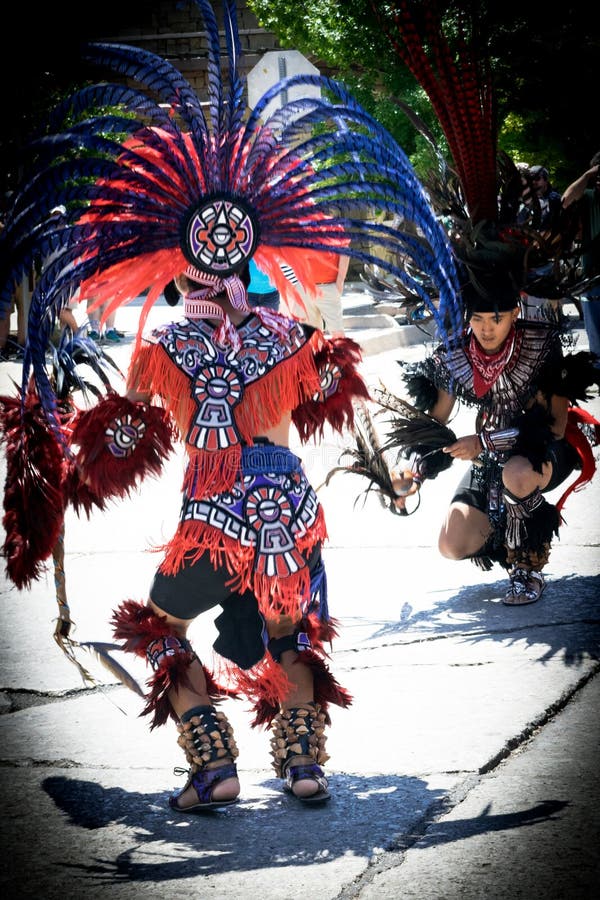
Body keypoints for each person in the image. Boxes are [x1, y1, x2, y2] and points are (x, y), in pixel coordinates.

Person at [0, 0, 459, 814]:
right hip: (290, 513)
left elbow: (116, 448)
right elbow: (333, 404)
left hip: (214, 521)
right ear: (249, 254)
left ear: (177, 266)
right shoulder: (288, 334)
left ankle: (212, 758)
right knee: (290, 635)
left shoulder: (165, 348)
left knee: (160, 628)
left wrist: (47, 439)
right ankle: (306, 762)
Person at [387, 272, 599, 605]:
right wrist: (413, 471)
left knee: (515, 474)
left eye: (496, 319)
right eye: (477, 318)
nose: (486, 329)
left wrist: (483, 442)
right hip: (492, 461)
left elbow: (555, 428)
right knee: (452, 543)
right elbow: (436, 419)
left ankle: (527, 565)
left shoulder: (539, 345)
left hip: (545, 452)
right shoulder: (457, 352)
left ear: (515, 314)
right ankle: (505, 537)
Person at [561, 151, 600, 365]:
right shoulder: (589, 197)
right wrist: (587, 176)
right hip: (592, 281)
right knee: (597, 349)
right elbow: (565, 200)